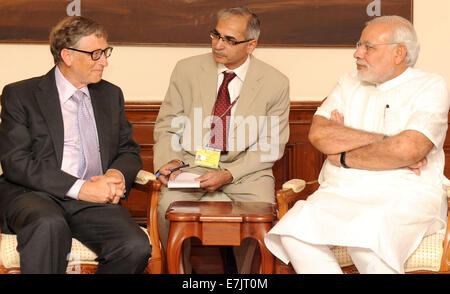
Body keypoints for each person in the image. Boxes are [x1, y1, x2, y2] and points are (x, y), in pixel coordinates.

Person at [265, 15, 450, 274]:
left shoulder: (430, 86)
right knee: (294, 232)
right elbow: (319, 134)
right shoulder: (348, 83)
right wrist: (387, 139)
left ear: (399, 53)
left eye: (368, 47)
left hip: (405, 193)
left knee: (368, 241)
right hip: (342, 191)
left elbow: (409, 149)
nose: (357, 53)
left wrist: (341, 156)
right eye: (359, 45)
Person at [0, 16, 151, 274]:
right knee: (49, 225)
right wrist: (79, 188)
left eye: (106, 52)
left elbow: (128, 150)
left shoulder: (110, 95)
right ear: (67, 55)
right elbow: (16, 161)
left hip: (93, 200)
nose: (104, 61)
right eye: (96, 54)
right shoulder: (21, 95)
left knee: (134, 245)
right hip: (34, 194)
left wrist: (114, 175)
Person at [153, 7, 290, 272]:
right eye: (216, 35)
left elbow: (270, 146)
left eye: (229, 40)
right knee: (166, 209)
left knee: (263, 218)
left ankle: (246, 276)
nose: (218, 44)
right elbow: (168, 122)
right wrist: (167, 160)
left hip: (248, 172)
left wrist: (229, 174)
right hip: (192, 165)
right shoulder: (187, 70)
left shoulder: (275, 82)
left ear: (251, 45)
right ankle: (179, 271)